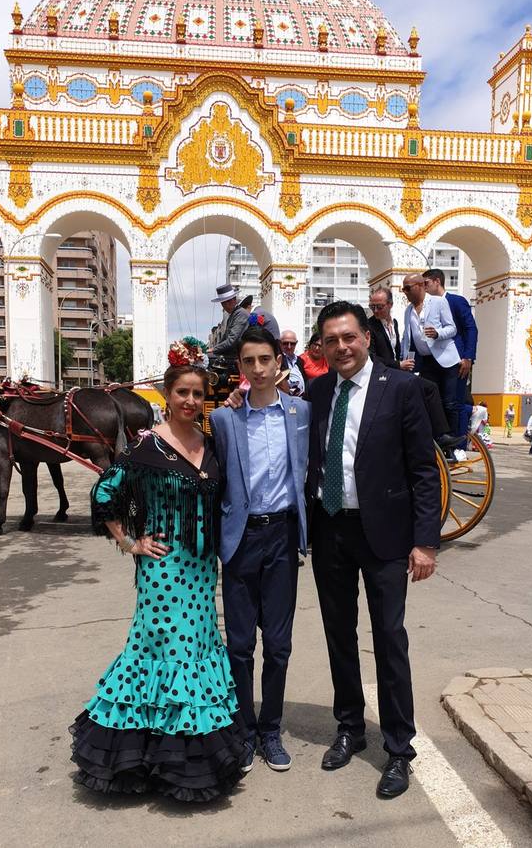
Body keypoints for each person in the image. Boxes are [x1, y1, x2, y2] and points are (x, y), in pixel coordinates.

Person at [69, 339, 246, 801]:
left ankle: (184, 752)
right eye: (182, 392)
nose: (190, 401)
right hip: (163, 569)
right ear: (168, 395)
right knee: (168, 653)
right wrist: (130, 542)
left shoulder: (209, 444)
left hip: (202, 569)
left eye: (197, 394)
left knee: (198, 647)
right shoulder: (148, 448)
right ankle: (159, 757)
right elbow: (105, 495)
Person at [306, 300, 440, 799]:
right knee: (339, 634)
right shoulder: (319, 392)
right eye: (330, 340)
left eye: (349, 337)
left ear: (365, 337)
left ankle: (399, 749)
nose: (340, 347)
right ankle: (349, 728)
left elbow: (424, 471)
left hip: (384, 535)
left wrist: (425, 542)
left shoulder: (401, 389)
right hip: (331, 529)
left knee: (389, 638)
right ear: (321, 347)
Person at [210, 328, 310, 775]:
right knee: (239, 644)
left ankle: (271, 730)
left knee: (280, 644)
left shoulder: (301, 412)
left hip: (284, 537)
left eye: (265, 360)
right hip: (241, 538)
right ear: (240, 369)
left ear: (278, 363)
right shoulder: (224, 420)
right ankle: (244, 731)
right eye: (249, 361)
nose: (257, 368)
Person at [367, 288, 461, 453]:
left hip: (399, 372)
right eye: (372, 307)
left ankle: (439, 437)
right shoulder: (369, 327)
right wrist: (398, 365)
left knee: (431, 390)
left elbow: (401, 346)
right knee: (428, 389)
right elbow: (372, 357)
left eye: (379, 307)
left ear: (390, 305)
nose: (375, 311)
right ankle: (438, 436)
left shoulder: (394, 323)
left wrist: (404, 363)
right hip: (382, 375)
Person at [401, 273, 460, 436]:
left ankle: (453, 443)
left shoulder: (438, 302)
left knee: (449, 403)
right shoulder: (408, 311)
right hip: (426, 361)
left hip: (446, 360)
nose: (405, 292)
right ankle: (439, 439)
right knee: (429, 402)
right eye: (403, 289)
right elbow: (407, 338)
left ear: (420, 286)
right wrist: (404, 359)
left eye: (407, 288)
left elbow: (452, 328)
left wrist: (437, 333)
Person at [423, 269, 478, 439]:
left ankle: (458, 445)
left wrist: (468, 357)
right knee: (437, 405)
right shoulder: (426, 305)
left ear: (437, 281)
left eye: (427, 283)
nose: (424, 288)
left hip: (458, 361)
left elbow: (470, 328)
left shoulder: (456, 301)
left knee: (455, 405)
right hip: (433, 364)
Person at [209, 283, 249, 367]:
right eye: (223, 303)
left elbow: (232, 340)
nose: (226, 305)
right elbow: (224, 338)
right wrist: (213, 349)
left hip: (238, 355)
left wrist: (214, 349)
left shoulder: (241, 314)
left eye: (228, 301)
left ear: (234, 299)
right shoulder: (233, 315)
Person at [279, 330, 307, 397]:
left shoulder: (300, 360)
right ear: (280, 343)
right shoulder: (278, 360)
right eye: (285, 343)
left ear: (296, 343)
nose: (289, 346)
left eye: (292, 343)